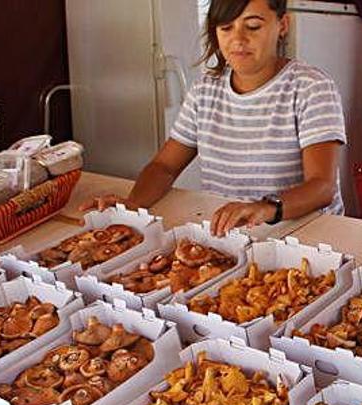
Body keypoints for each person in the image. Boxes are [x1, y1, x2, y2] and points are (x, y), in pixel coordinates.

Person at [81, 0, 347, 236]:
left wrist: (264, 208)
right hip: (231, 233)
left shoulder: (311, 87)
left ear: (283, 25)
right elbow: (164, 166)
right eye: (226, 28)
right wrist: (133, 204)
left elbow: (322, 188)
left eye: (253, 26)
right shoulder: (206, 89)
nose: (238, 39)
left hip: (305, 237)